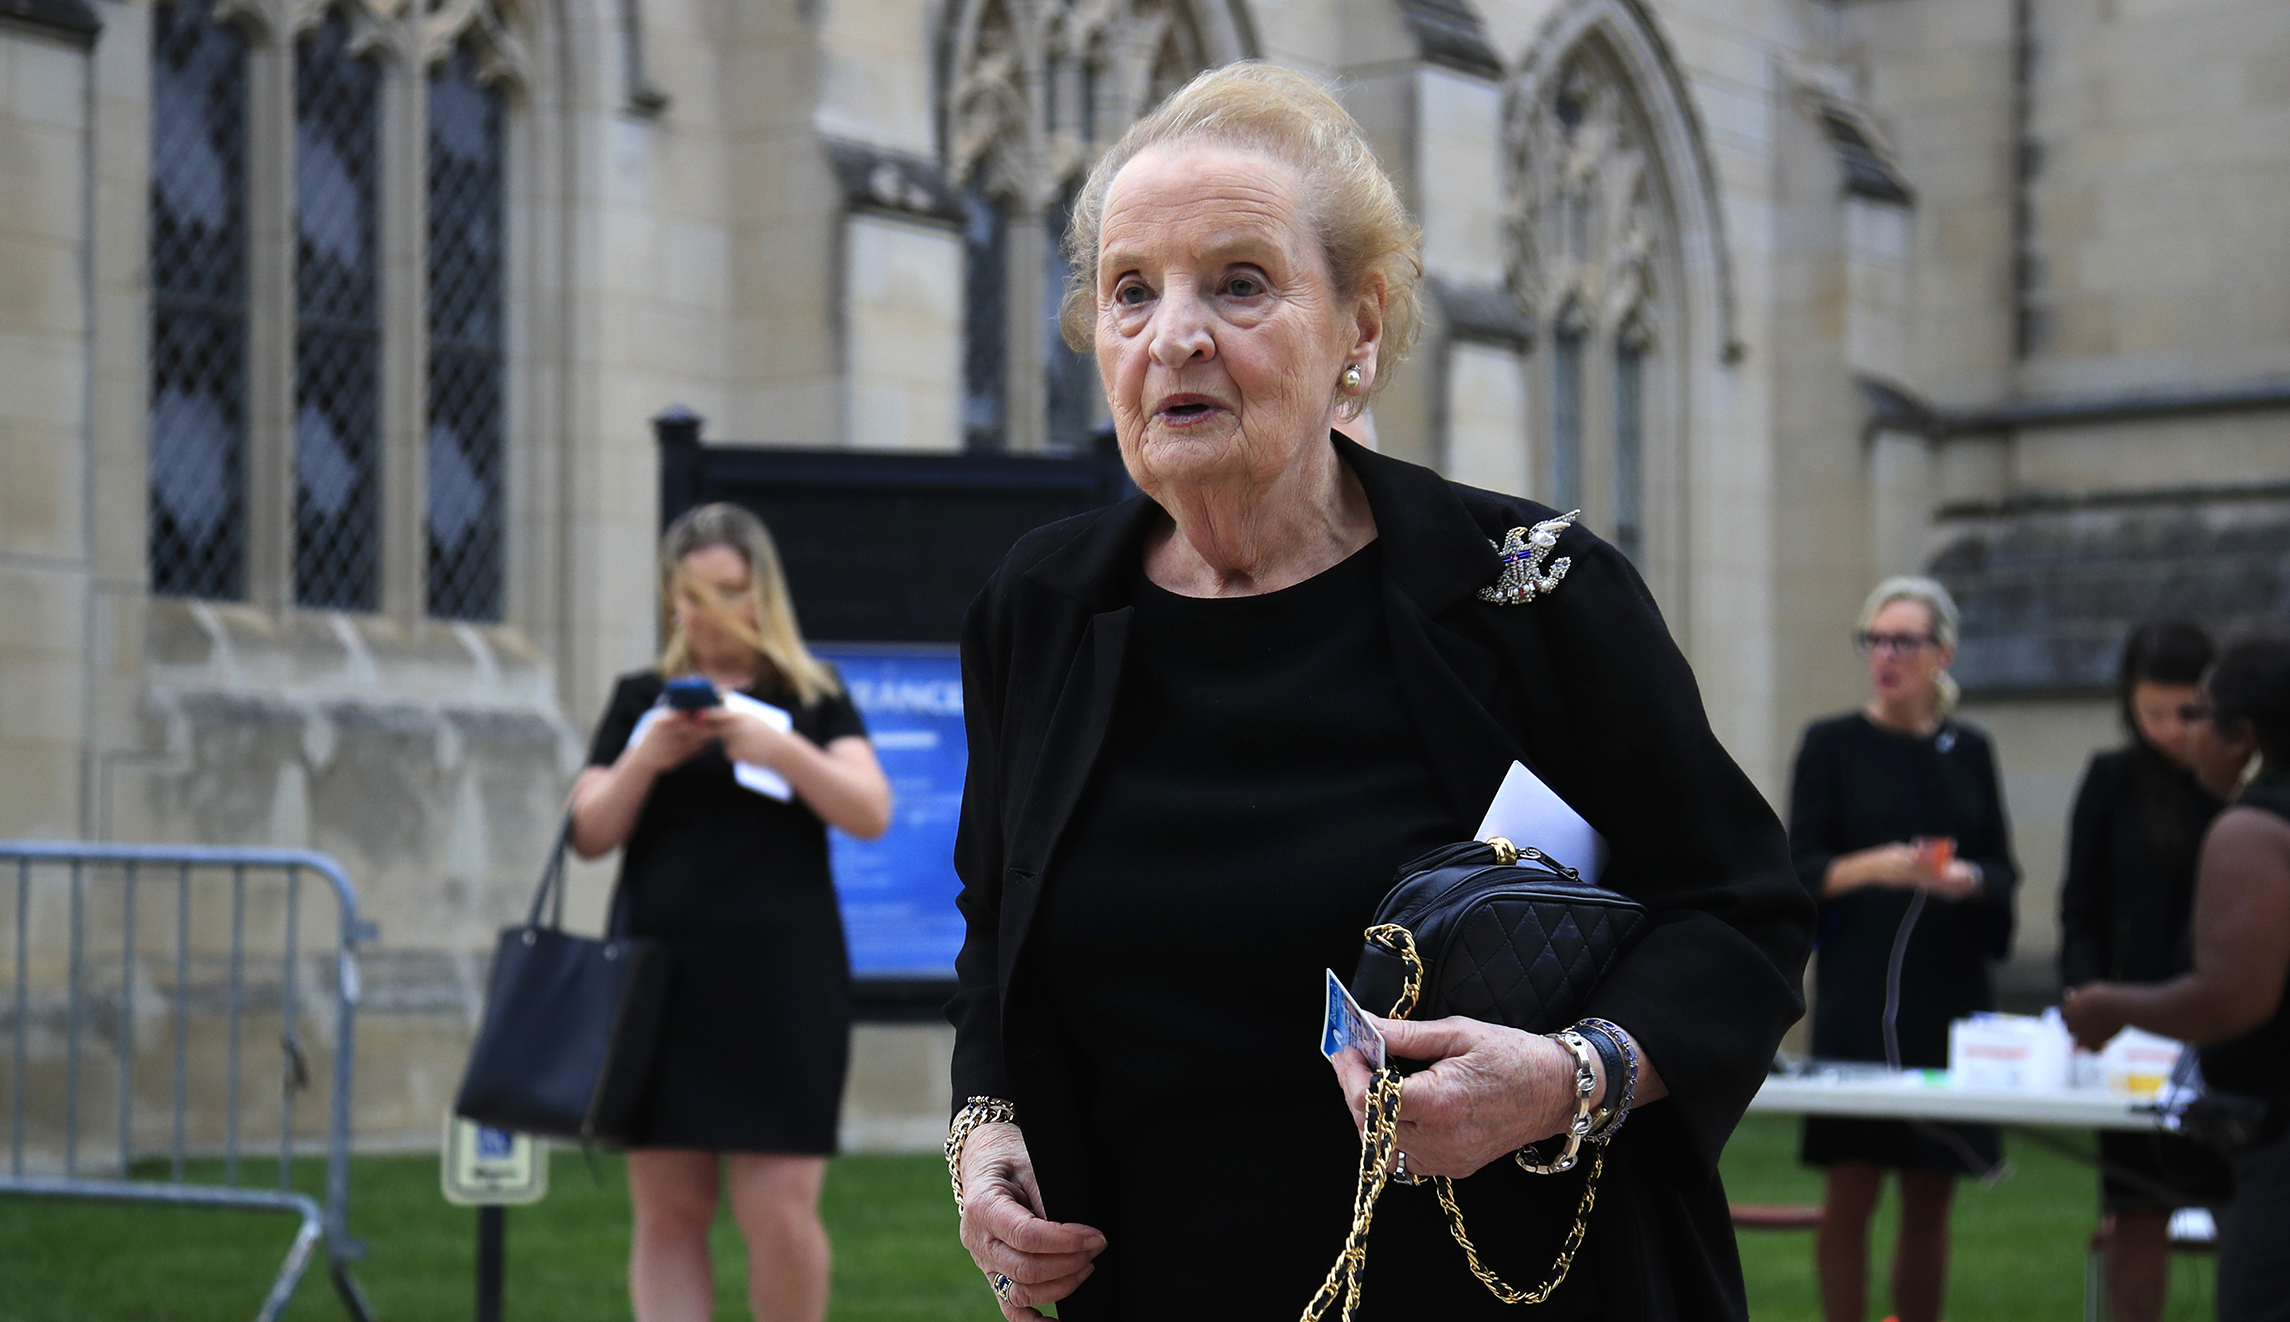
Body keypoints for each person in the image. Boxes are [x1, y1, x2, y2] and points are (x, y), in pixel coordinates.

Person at [943, 61, 1814, 1322]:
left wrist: (1572, 1073)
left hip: (1496, 1286)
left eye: (1238, 284)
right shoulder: (1042, 609)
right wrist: (986, 1124)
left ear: (1359, 328)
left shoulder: (1534, 591)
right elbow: (997, 916)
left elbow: (1743, 914)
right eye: (1131, 291)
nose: (1173, 333)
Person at [568, 503, 893, 1322]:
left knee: (779, 1211)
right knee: (670, 1213)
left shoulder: (811, 694)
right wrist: (646, 758)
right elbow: (587, 832)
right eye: (690, 596)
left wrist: (778, 747)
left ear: (763, 595)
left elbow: (869, 810)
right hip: (661, 987)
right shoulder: (642, 698)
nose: (709, 614)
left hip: (781, 987)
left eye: (728, 591)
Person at [1787, 576, 2020, 1322]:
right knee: (1852, 1185)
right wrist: (1878, 866)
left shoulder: (1969, 749)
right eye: (1875, 640)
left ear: (1942, 653)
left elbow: (2002, 869)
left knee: (1930, 1187)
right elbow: (1800, 869)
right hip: (1860, 991)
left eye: (1903, 641)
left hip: (1946, 988)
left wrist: (1962, 878)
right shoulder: (1832, 744)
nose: (1886, 656)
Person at [2065, 637, 2290, 1322]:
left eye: (2202, 716)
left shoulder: (2251, 829)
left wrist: (2111, 1006)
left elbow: (2234, 994)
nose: (2188, 734)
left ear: (2243, 736)